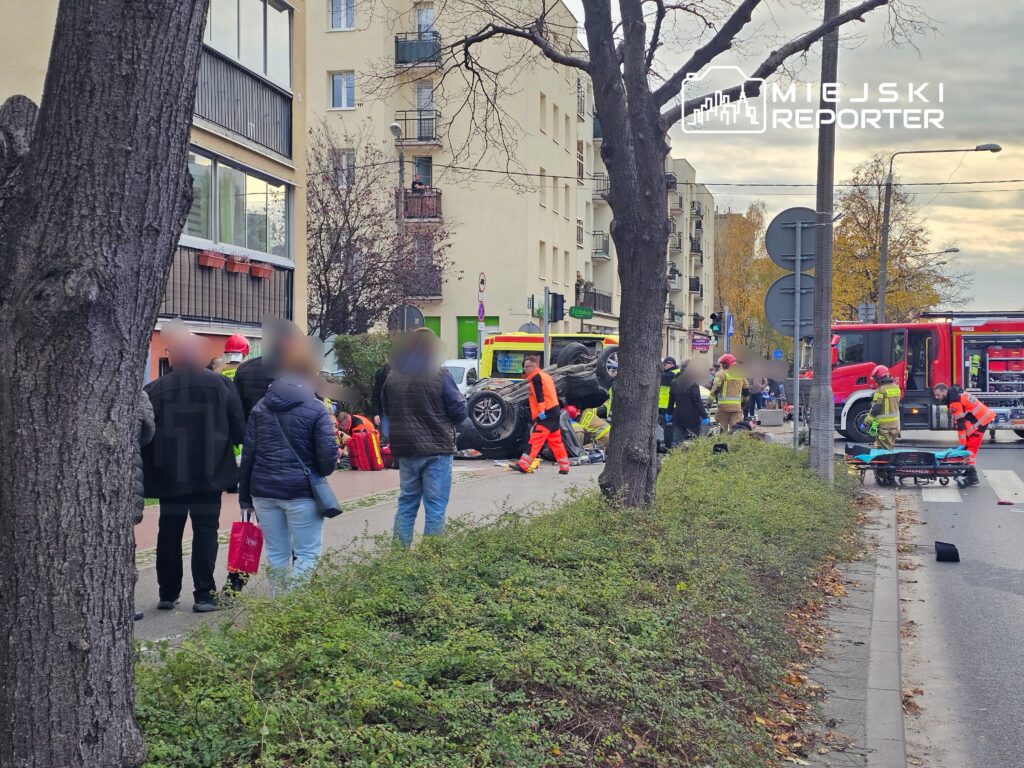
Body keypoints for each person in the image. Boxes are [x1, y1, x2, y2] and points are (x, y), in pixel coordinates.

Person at [143, 328, 245, 613]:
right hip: (209, 473)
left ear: (173, 357)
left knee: (169, 532)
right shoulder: (221, 385)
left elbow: (144, 434)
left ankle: (167, 592)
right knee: (205, 532)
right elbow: (239, 430)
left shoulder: (154, 389)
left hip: (170, 473)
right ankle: (204, 594)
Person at [238, 368, 338, 594]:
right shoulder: (316, 409)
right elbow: (327, 457)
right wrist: (322, 471)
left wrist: (245, 498)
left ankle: (280, 604)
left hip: (263, 492)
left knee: (276, 553)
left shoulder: (260, 407)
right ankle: (293, 606)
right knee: (307, 553)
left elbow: (248, 455)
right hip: (301, 492)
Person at [384, 329, 467, 546]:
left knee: (406, 503)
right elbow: (459, 411)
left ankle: (398, 555)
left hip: (406, 449)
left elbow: (386, 409)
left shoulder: (393, 376)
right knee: (435, 506)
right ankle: (430, 558)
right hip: (437, 449)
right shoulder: (440, 375)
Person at [515, 354, 570, 475]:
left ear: (534, 366)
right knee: (555, 440)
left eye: (527, 367)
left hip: (546, 411)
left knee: (536, 438)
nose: (524, 369)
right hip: (554, 410)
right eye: (524, 366)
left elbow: (540, 397)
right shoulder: (545, 376)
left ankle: (523, 464)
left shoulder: (536, 378)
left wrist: (541, 414)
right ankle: (564, 466)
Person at [932, 382, 995, 486]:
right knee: (968, 447)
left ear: (944, 392)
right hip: (980, 418)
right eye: (936, 395)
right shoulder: (955, 394)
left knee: (970, 449)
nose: (937, 397)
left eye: (938, 395)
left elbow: (960, 423)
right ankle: (968, 470)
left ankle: (972, 477)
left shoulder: (954, 400)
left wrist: (962, 442)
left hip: (980, 420)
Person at [133, 390, 156, 621]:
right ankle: (123, 600)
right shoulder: (137, 395)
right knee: (122, 543)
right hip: (128, 472)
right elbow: (148, 433)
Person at [667, 362, 708, 443]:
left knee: (677, 441)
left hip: (678, 416)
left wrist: (669, 412)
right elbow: (697, 401)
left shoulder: (674, 382)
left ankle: (676, 451)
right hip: (692, 417)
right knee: (698, 440)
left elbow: (671, 399)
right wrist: (704, 415)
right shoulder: (693, 383)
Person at [864, 365, 902, 450]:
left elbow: (876, 408)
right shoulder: (896, 388)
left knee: (883, 450)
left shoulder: (880, 390)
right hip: (895, 426)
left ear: (878, 377)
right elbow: (891, 403)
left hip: (884, 427)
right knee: (890, 448)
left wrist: (866, 422)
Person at [709, 353, 747, 432]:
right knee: (735, 429)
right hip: (736, 408)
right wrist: (744, 403)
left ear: (724, 364)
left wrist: (709, 402)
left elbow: (715, 389)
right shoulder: (740, 374)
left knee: (722, 430)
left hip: (723, 408)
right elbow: (746, 390)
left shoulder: (721, 374)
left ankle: (724, 439)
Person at [658, 356, 680, 448]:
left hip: (668, 406)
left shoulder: (671, 374)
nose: (663, 366)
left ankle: (669, 447)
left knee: (668, 427)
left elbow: (660, 379)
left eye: (664, 364)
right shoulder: (673, 373)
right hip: (666, 406)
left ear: (671, 364)